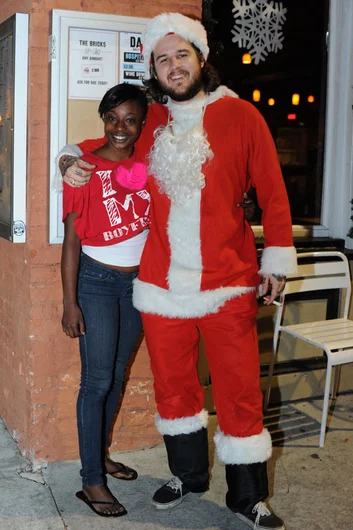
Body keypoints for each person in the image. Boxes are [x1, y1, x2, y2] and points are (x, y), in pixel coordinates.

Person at [58, 13, 297, 530]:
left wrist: (276, 257)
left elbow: (273, 192)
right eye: (162, 59)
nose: (173, 66)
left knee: (238, 390)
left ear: (201, 59)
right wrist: (66, 160)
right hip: (160, 286)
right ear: (155, 69)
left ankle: (247, 497)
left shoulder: (241, 115)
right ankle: (186, 475)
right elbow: (101, 147)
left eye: (180, 55)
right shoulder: (151, 125)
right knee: (173, 387)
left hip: (228, 282)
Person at [60, 83, 149, 517]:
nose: (120, 127)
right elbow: (71, 242)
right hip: (95, 282)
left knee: (116, 374)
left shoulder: (149, 163)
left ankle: (102, 456)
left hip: (137, 285)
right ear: (103, 120)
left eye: (129, 119)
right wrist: (69, 301)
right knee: (95, 382)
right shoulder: (85, 168)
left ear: (141, 125)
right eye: (112, 118)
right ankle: (90, 481)